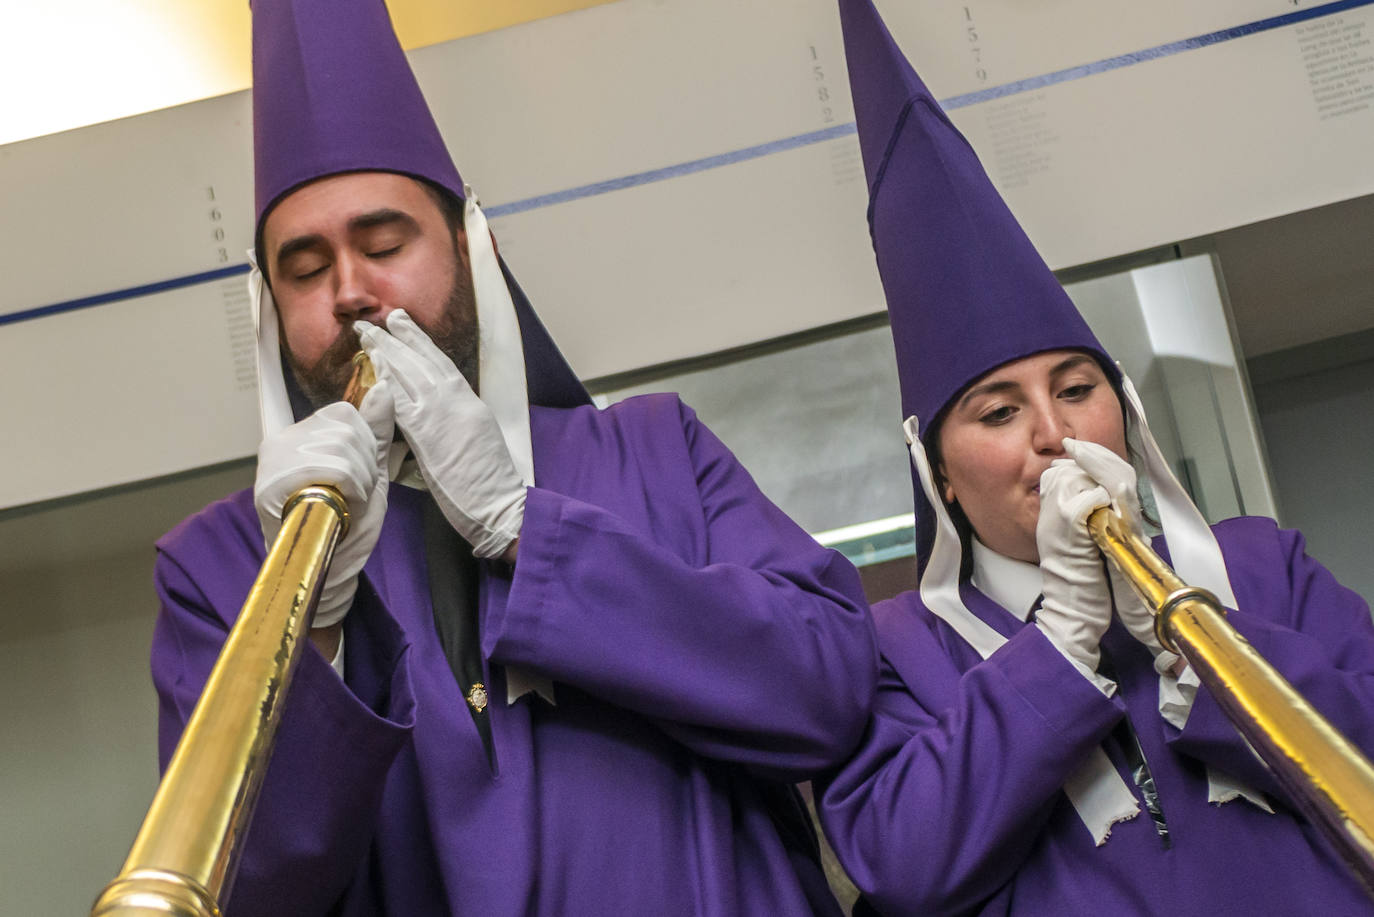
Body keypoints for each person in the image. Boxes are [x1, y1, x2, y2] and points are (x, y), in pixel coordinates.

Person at [150, 1, 877, 914]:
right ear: (268, 316)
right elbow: (248, 892)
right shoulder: (216, 567)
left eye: (385, 244)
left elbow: (827, 692)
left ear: (473, 249)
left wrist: (527, 531)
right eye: (305, 269)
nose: (350, 292)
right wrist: (316, 633)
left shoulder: (657, 448)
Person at [816, 1, 1374, 914]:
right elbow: (905, 863)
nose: (1052, 431)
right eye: (1000, 410)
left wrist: (1185, 631)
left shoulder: (1262, 566)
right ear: (941, 477)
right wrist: (1062, 640)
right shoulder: (893, 652)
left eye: (1076, 390)